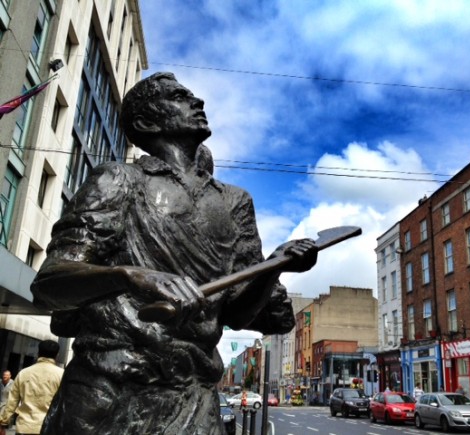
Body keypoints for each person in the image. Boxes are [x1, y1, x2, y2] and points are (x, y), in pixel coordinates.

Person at [30, 72, 318, 435]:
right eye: (179, 96)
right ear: (146, 122)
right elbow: (49, 283)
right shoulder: (119, 180)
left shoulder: (234, 202)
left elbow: (240, 314)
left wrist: (274, 268)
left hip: (194, 398)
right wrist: (127, 276)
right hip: (111, 390)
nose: (196, 102)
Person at [0, 340, 64, 435]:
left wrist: (3, 423)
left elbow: (11, 402)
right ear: (57, 355)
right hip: (50, 428)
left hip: (25, 428)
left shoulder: (23, 373)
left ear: (38, 353)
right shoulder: (62, 375)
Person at [0, 371, 13, 435]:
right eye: (4, 375)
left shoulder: (13, 383)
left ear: (10, 376)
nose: (4, 376)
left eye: (6, 375)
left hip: (6, 406)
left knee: (2, 425)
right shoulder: (0, 382)